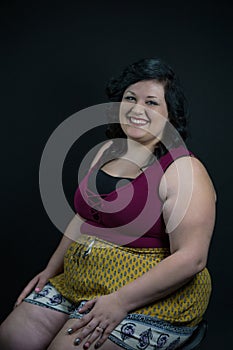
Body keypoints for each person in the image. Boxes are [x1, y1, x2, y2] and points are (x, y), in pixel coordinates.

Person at [0, 58, 216, 350]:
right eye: (130, 98)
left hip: (145, 296)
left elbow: (192, 257)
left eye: (151, 102)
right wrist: (50, 270)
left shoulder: (183, 169)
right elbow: (85, 217)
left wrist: (119, 302)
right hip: (82, 282)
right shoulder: (106, 151)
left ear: (170, 116)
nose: (137, 109)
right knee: (12, 336)